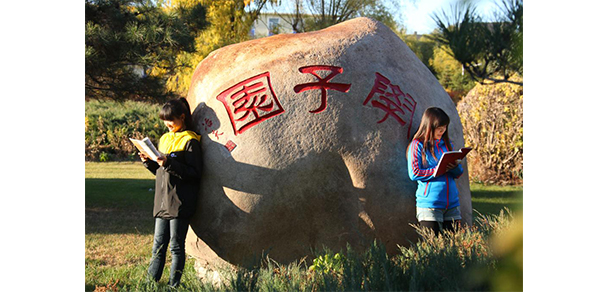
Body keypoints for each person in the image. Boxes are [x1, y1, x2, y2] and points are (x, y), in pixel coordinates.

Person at [139, 97, 203, 287]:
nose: (167, 125)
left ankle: (173, 286)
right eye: (165, 122)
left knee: (176, 247)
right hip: (162, 201)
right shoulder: (165, 139)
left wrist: (169, 162)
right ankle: (150, 284)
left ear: (182, 117)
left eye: (171, 121)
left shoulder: (191, 140)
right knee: (157, 248)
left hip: (180, 202)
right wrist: (148, 162)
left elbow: (195, 173)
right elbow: (161, 173)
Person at [406, 107, 464, 235]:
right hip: (430, 205)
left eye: (444, 127)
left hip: (452, 204)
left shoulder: (447, 145)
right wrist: (437, 170)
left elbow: (459, 173)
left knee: (455, 248)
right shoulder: (417, 145)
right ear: (429, 126)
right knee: (434, 248)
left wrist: (455, 167)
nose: (442, 130)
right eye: (439, 127)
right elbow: (414, 173)